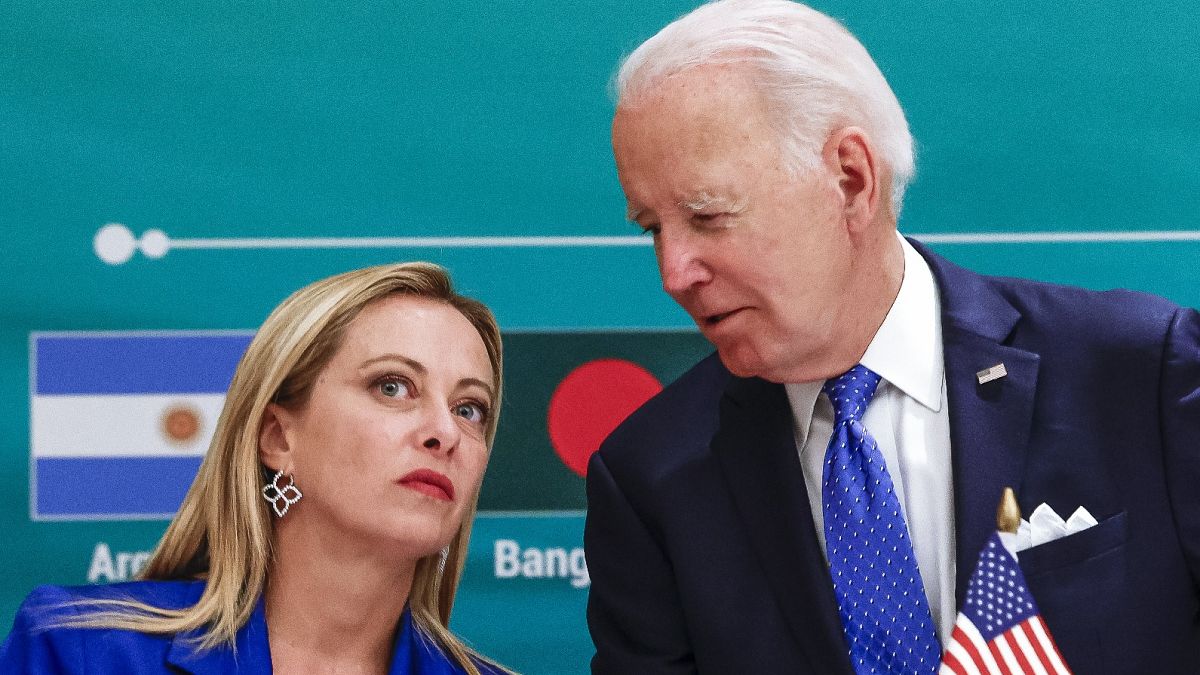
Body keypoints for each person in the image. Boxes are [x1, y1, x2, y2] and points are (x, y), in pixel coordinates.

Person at [584, 0, 1200, 673]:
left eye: (707, 216)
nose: (673, 271)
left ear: (850, 180)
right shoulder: (650, 477)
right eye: (652, 228)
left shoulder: (1142, 371)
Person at [2, 262, 509, 674]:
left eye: (470, 409)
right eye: (392, 386)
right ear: (277, 437)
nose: (444, 432)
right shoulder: (78, 652)